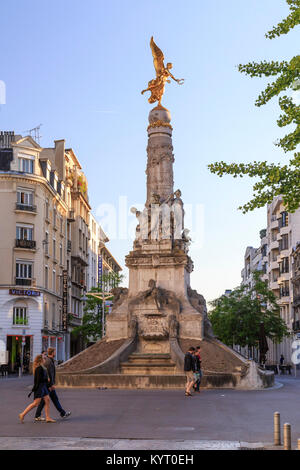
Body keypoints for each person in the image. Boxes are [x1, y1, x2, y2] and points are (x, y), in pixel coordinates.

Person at [34, 347, 71, 422]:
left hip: (48, 384)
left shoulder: (50, 361)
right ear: (52, 352)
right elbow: (48, 374)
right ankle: (36, 415)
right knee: (45, 400)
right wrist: (50, 385)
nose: (55, 353)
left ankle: (62, 413)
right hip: (48, 385)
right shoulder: (48, 362)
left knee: (50, 399)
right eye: (54, 352)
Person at [19, 354, 56, 423]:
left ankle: (48, 417)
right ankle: (22, 414)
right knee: (35, 403)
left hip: (43, 387)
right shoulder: (39, 368)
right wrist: (47, 380)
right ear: (41, 360)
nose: (45, 359)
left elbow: (44, 379)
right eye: (44, 358)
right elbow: (38, 380)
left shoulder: (43, 367)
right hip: (40, 388)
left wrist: (49, 385)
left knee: (47, 400)